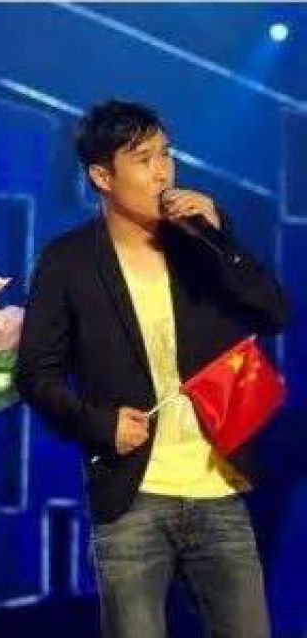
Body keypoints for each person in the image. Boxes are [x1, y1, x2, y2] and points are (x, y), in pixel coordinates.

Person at [15, 100, 288, 637]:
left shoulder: (201, 244)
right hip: (131, 496)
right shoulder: (67, 261)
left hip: (219, 486)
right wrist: (99, 423)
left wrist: (221, 239)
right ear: (102, 177)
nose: (162, 172)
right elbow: (35, 373)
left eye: (166, 154)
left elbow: (274, 314)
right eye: (143, 160)